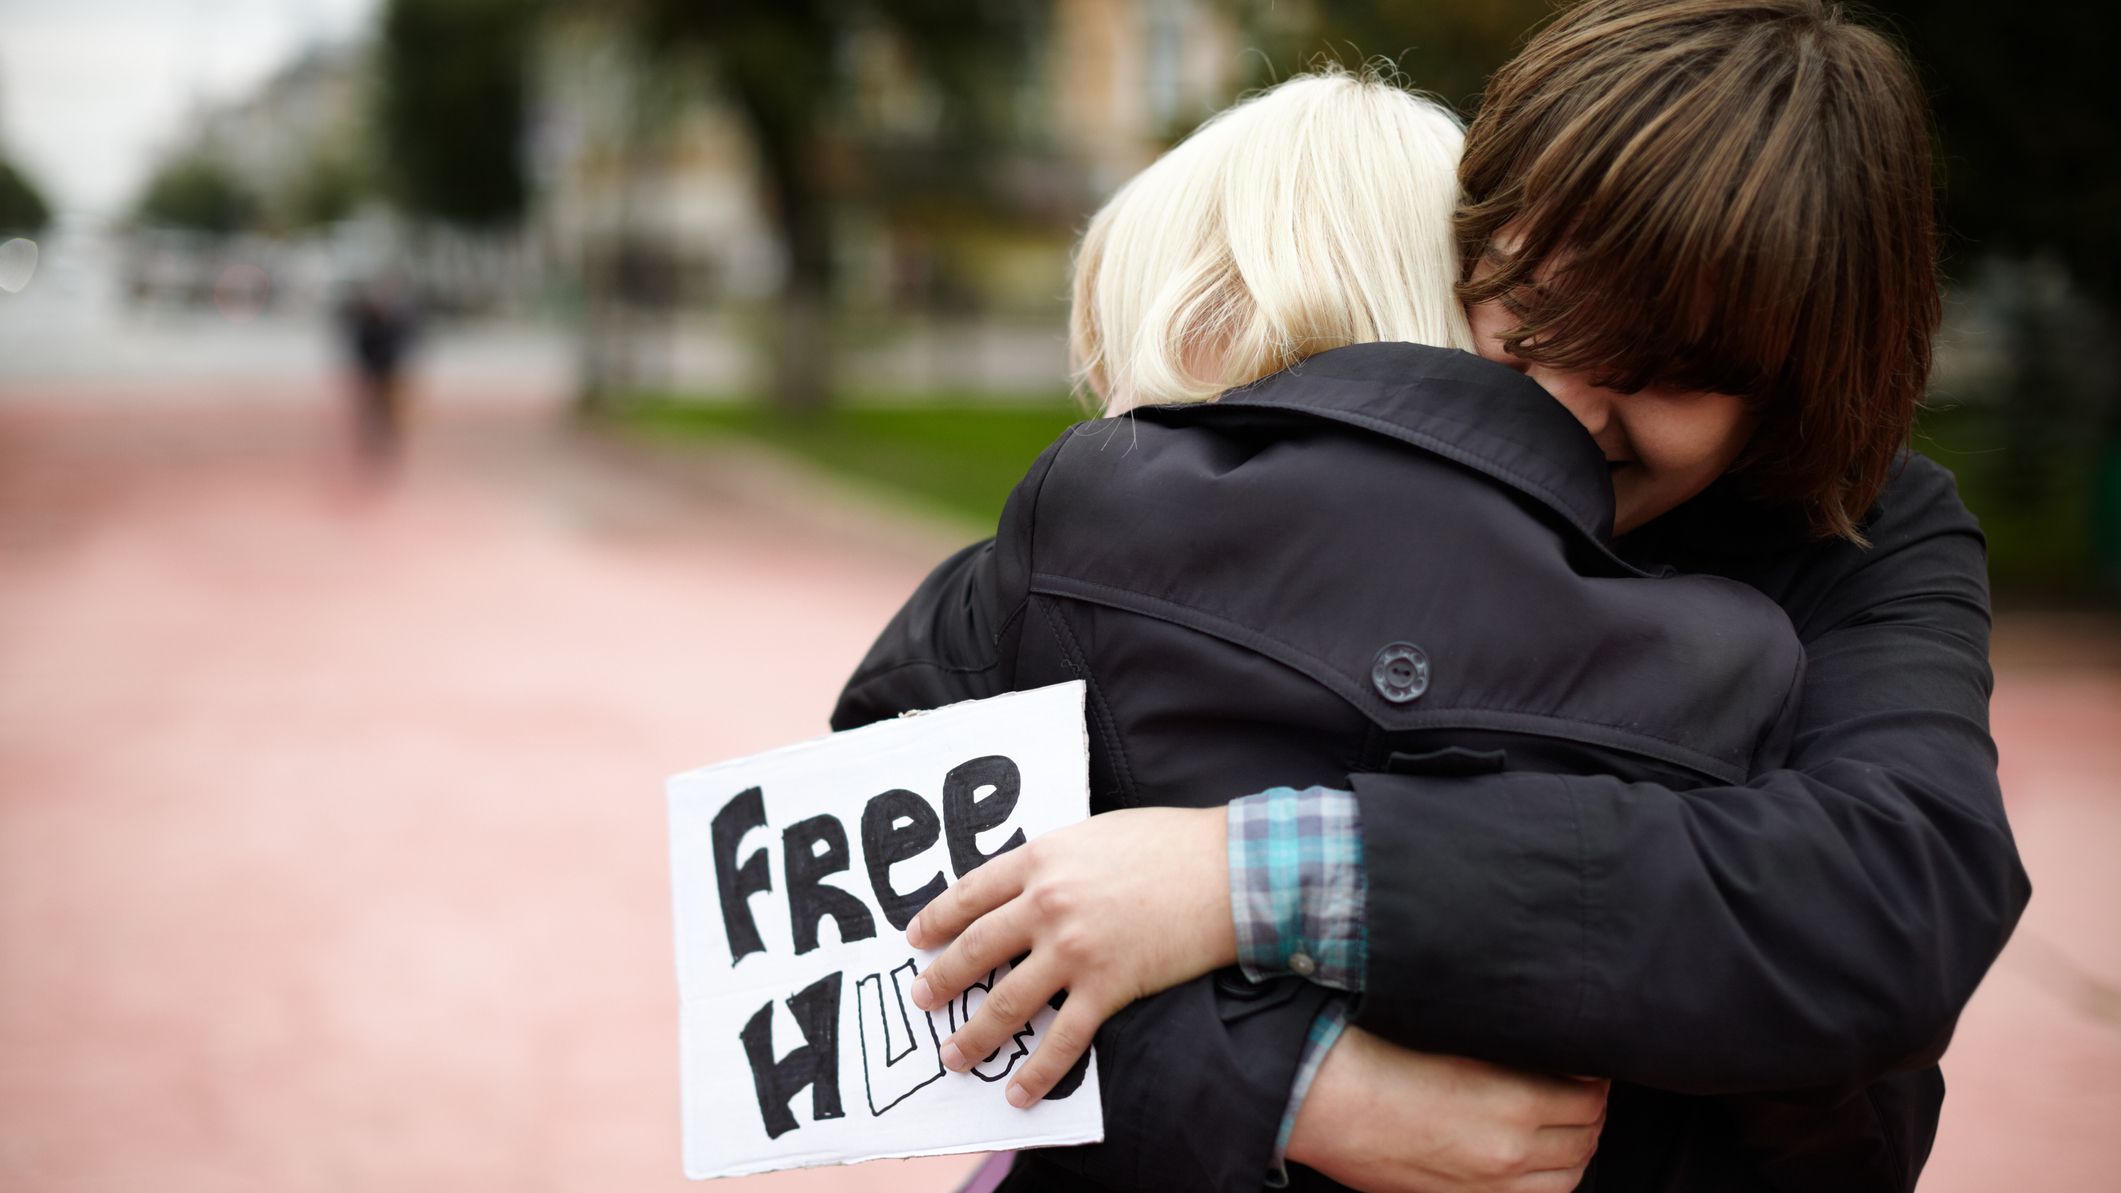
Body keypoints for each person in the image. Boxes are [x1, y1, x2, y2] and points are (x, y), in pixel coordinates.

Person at [846, 2, 2033, 1190]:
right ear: (1464, 240)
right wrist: (1287, 1083)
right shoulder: (1242, 469)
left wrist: (1246, 878)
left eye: (1669, 376)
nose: (1567, 408)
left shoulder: (1864, 540)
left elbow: (1889, 901)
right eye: (1537, 321)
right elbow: (864, 919)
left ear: (1803, 388)